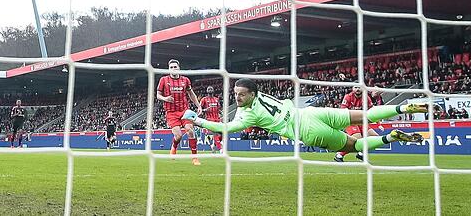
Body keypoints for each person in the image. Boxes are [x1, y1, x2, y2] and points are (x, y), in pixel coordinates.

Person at [183, 79, 427, 157]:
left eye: (241, 94)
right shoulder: (262, 95)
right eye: (235, 94)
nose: (237, 98)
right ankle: (401, 110)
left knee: (355, 146)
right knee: (364, 116)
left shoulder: (248, 116)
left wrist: (198, 120)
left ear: (251, 94)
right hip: (310, 112)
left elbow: (224, 128)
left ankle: (390, 138)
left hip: (307, 129)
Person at [157, 59, 202, 165]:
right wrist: (165, 98)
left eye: (175, 67)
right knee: (178, 135)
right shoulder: (163, 80)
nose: (173, 69)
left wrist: (198, 105)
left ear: (179, 68)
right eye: (171, 67)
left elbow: (191, 94)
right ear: (169, 69)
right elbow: (158, 95)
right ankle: (174, 147)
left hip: (184, 110)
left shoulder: (185, 80)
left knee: (190, 131)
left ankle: (194, 158)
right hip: (171, 112)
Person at [333, 86, 382, 163]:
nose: (358, 89)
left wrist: (378, 123)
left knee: (376, 138)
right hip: (350, 121)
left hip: (361, 122)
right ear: (353, 89)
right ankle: (339, 154)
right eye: (356, 87)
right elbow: (342, 111)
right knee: (357, 138)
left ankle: (361, 153)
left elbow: (372, 111)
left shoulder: (366, 98)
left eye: (359, 87)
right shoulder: (348, 97)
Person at [199, 86, 223, 153]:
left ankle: (214, 146)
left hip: (217, 119)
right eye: (208, 89)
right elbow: (199, 109)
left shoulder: (216, 99)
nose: (210, 90)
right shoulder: (204, 99)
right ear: (207, 91)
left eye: (211, 89)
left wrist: (221, 113)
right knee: (215, 133)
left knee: (222, 134)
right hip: (209, 120)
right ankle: (220, 149)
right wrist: (204, 110)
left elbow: (219, 108)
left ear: (213, 90)